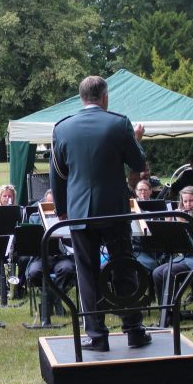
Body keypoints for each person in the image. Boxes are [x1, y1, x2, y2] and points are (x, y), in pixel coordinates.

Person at [50, 75, 150, 352]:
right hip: (114, 210)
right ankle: (134, 329)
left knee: (87, 273)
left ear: (81, 98)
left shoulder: (63, 128)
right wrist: (136, 139)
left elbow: (57, 175)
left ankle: (96, 335)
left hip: (79, 212)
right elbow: (138, 163)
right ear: (105, 97)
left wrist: (61, 210)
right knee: (123, 267)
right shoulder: (119, 123)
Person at [151, 187, 193, 306]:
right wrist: (168, 225)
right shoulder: (184, 215)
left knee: (169, 272)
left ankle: (171, 310)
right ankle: (163, 309)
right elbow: (172, 244)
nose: (188, 204)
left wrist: (183, 224)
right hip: (185, 259)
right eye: (185, 201)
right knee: (157, 273)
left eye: (191, 201)